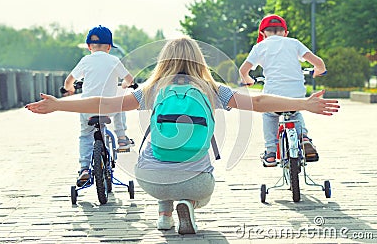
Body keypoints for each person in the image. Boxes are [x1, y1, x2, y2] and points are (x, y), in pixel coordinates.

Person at [25, 37, 339, 234]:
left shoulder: (151, 88)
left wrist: (58, 105)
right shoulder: (212, 89)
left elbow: (103, 103)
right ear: (199, 60)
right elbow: (258, 102)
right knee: (198, 174)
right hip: (196, 179)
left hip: (150, 178)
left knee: (158, 165)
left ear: (164, 61)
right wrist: (304, 104)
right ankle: (188, 202)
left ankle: (164, 209)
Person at [239, 14, 327, 167]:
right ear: (285, 33)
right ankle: (304, 138)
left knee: (269, 114)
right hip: (296, 93)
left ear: (262, 34)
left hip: (273, 96)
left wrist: (248, 80)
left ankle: (271, 152)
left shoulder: (260, 47)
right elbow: (318, 62)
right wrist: (319, 70)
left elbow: (243, 70)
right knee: (296, 109)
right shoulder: (294, 43)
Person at [62, 25, 134, 186]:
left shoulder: (85, 60)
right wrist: (125, 85)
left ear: (89, 46)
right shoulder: (114, 60)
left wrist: (69, 88)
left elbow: (69, 81)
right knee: (120, 104)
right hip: (109, 107)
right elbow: (129, 79)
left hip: (87, 107)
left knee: (85, 135)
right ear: (109, 47)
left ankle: (84, 168)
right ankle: (122, 138)